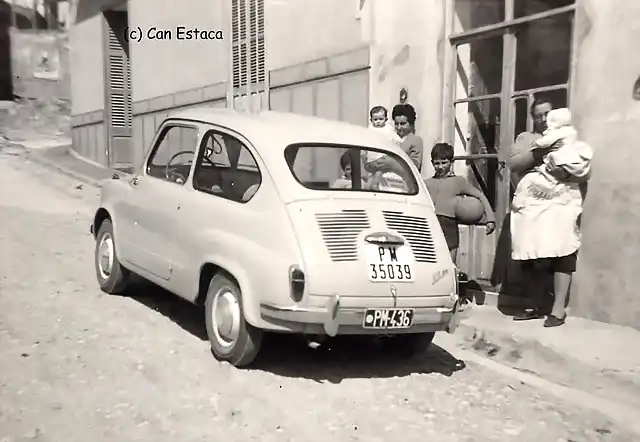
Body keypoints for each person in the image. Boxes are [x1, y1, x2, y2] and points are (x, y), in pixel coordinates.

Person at [508, 97, 593, 327]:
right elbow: (513, 164)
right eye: (538, 115)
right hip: (535, 200)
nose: (542, 119)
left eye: (546, 114)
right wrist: (540, 153)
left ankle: (557, 310)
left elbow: (583, 169)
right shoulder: (527, 138)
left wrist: (565, 172)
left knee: (563, 251)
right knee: (532, 253)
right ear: (532, 117)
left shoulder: (568, 135)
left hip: (561, 200)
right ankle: (537, 305)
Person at [425, 143, 496, 264]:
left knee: (449, 263)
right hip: (430, 224)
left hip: (449, 225)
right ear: (432, 163)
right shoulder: (426, 183)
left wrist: (490, 219)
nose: (440, 167)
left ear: (451, 162)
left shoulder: (459, 181)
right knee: (430, 261)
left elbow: (480, 196)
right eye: (437, 163)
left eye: (444, 162)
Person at [392, 103, 424, 173]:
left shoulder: (415, 140)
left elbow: (414, 165)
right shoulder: (391, 138)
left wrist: (391, 164)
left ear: (411, 124)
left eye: (403, 124)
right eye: (396, 124)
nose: (399, 127)